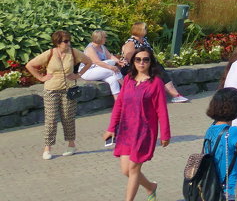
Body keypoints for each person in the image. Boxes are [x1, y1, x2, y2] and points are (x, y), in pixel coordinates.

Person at [106, 46, 170, 201]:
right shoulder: (128, 79)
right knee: (126, 170)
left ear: (151, 62)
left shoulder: (156, 83)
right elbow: (119, 105)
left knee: (134, 169)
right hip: (126, 130)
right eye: (138, 59)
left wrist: (165, 134)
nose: (142, 63)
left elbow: (162, 110)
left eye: (146, 59)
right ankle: (150, 187)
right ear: (133, 61)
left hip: (145, 131)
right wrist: (111, 128)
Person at [26, 30, 102, 159]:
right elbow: (30, 65)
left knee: (68, 118)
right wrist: (41, 77)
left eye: (69, 40)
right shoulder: (49, 53)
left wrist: (78, 75)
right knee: (50, 120)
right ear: (58, 42)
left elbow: (89, 62)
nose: (68, 43)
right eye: (65, 41)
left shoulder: (72, 52)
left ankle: (71, 145)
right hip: (51, 90)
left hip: (68, 90)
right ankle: (47, 148)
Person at [122, 22, 188, 102]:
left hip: (145, 65)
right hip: (132, 67)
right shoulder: (131, 43)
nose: (147, 30)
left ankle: (172, 95)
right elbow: (130, 59)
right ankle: (174, 95)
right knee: (158, 70)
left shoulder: (144, 41)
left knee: (158, 68)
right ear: (139, 30)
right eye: (145, 28)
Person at [81, 29, 125, 98]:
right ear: (100, 38)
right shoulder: (90, 48)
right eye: (105, 37)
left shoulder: (102, 47)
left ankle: (118, 102)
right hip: (87, 72)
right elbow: (97, 62)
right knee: (114, 70)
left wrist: (118, 61)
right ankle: (127, 88)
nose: (106, 39)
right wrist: (111, 67)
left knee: (113, 80)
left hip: (98, 69)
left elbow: (110, 56)